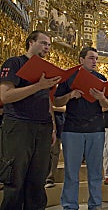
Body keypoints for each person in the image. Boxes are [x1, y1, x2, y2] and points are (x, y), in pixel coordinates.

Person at [0, 30, 61, 209]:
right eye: (43, 43)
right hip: (19, 125)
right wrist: (39, 85)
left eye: (49, 45)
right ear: (30, 42)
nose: (47, 48)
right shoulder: (14, 63)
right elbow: (5, 95)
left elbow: (47, 101)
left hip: (43, 127)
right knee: (15, 179)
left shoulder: (46, 68)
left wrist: (53, 128)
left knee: (37, 180)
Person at [54, 46, 108, 210]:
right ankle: (70, 205)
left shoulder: (101, 78)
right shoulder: (69, 78)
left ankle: (95, 205)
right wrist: (70, 95)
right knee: (72, 172)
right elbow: (56, 102)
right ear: (81, 59)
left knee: (95, 172)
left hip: (96, 129)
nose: (95, 61)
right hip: (73, 129)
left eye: (96, 58)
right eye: (91, 58)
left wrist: (101, 98)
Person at [45, 105, 66, 188]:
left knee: (54, 151)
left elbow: (66, 107)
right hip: (42, 120)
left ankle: (49, 178)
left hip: (59, 122)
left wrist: (53, 108)